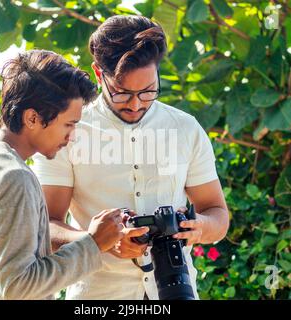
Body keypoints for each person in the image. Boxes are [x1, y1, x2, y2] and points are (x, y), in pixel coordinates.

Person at [33, 15, 230, 300]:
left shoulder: (185, 128)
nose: (136, 104)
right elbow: (46, 226)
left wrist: (198, 228)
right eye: (123, 93)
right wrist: (99, 241)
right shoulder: (67, 131)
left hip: (176, 291)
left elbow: (218, 215)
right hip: (97, 296)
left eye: (148, 91)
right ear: (99, 75)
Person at [0, 50, 146, 299]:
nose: (72, 136)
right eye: (69, 124)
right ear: (32, 118)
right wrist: (94, 243)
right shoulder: (14, 177)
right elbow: (18, 287)